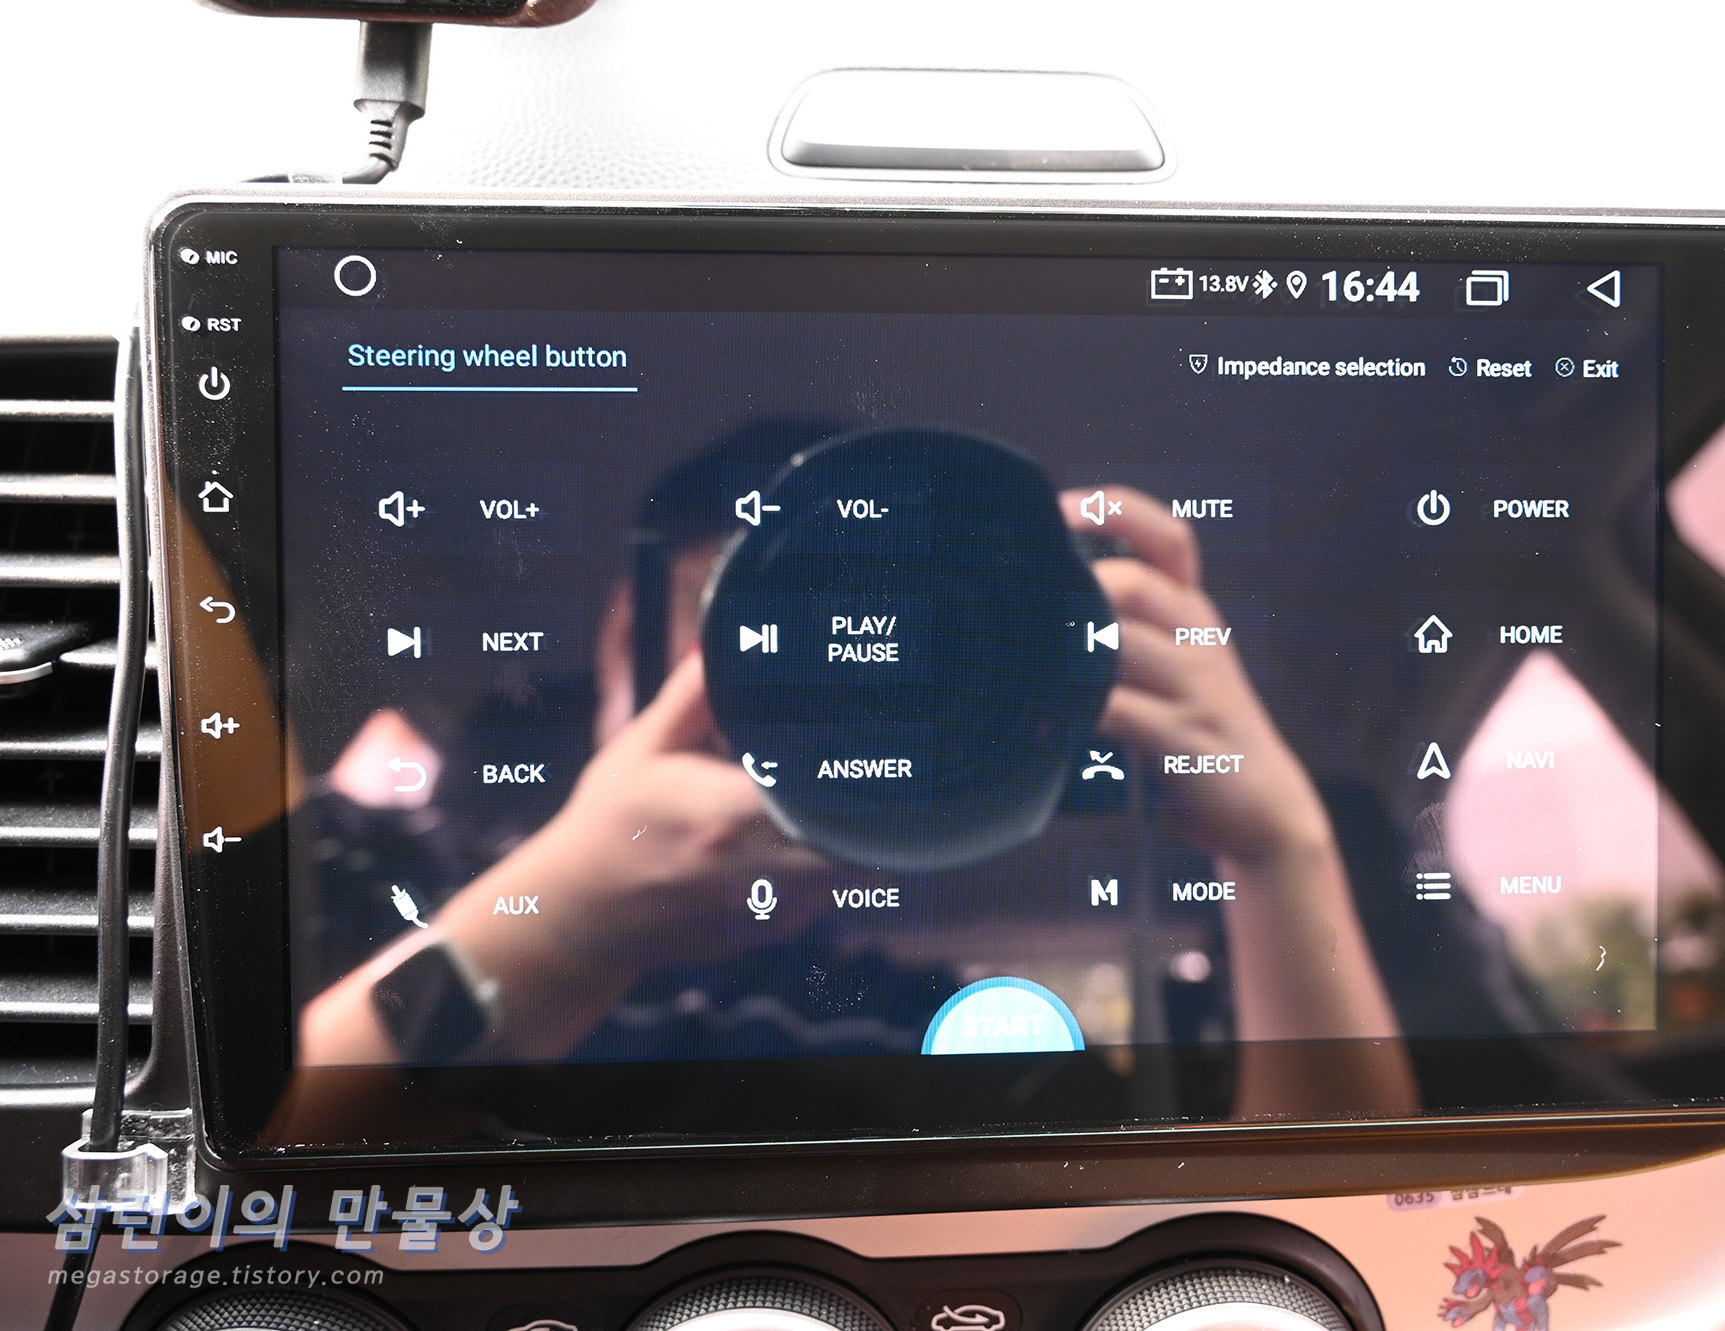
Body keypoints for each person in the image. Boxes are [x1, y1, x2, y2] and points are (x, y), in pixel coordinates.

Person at [296, 430, 1418, 1117]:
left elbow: (1292, 1233)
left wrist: (1278, 851)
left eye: (918, 645)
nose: (848, 666)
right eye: (779, 621)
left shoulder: (924, 1027)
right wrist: (555, 927)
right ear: (629, 638)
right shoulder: (353, 867)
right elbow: (218, 1188)